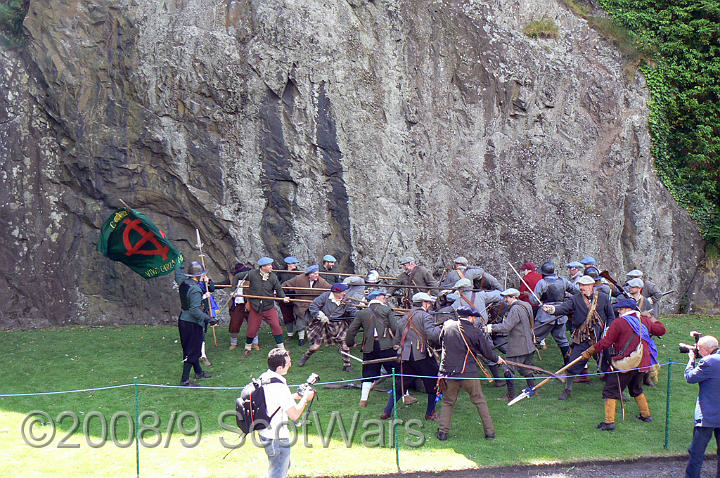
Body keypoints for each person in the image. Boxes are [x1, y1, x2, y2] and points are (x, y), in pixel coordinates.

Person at [580, 298, 666, 430]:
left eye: (621, 308)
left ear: (627, 309)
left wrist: (590, 350)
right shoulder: (644, 320)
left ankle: (609, 423)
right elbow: (661, 330)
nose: (619, 311)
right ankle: (646, 415)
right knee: (635, 388)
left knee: (610, 390)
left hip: (626, 362)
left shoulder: (619, 322)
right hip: (642, 363)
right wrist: (652, 318)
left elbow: (606, 342)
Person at [436, 305, 505, 441]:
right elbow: (486, 351)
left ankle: (443, 432)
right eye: (474, 317)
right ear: (470, 317)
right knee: (480, 401)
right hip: (468, 373)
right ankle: (489, 433)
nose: (475, 320)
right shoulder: (475, 332)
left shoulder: (447, 327)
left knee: (448, 402)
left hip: (449, 373)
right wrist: (497, 359)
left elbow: (440, 342)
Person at [542, 275, 615, 400]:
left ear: (591, 286)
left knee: (610, 366)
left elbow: (610, 316)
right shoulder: (575, 299)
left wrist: (608, 330)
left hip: (600, 339)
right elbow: (563, 309)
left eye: (584, 285)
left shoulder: (603, 298)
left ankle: (615, 392)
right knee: (572, 365)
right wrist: (551, 309)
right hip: (582, 338)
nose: (581, 288)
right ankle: (567, 390)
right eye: (580, 285)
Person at [384, 292, 443, 421]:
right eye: (428, 303)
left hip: (406, 356)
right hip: (423, 356)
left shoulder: (404, 317)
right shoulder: (425, 316)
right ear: (424, 303)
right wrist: (440, 332)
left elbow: (398, 338)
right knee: (433, 385)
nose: (429, 305)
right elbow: (433, 336)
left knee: (400, 385)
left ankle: (387, 411)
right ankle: (430, 413)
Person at [257, 348, 315, 478]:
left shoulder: (264, 377)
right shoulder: (280, 387)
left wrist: (294, 396)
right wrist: (305, 398)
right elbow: (294, 415)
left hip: (265, 432)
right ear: (279, 367)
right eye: (288, 363)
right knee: (278, 473)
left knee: (281, 466)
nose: (290, 365)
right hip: (277, 437)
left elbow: (272, 400)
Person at [345, 290, 399, 408]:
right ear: (378, 298)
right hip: (386, 346)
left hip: (369, 347)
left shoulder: (362, 313)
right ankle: (405, 396)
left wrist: (349, 343)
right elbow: (395, 328)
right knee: (397, 372)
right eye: (384, 298)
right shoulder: (387, 310)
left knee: (368, 374)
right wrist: (398, 343)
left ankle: (363, 400)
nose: (385, 300)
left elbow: (351, 330)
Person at [485, 288, 537, 401]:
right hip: (529, 343)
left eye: (507, 297)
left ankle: (510, 395)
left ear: (514, 297)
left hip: (519, 346)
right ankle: (534, 388)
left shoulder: (515, 309)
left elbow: (506, 326)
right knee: (525, 369)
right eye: (504, 297)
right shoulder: (526, 305)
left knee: (507, 368)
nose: (505, 300)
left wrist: (490, 328)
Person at [174, 260, 217, 386]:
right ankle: (185, 380)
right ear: (197, 276)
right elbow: (194, 310)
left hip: (185, 320)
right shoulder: (195, 289)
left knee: (195, 348)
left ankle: (198, 372)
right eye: (202, 274)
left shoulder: (184, 283)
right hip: (191, 323)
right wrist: (209, 318)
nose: (204, 277)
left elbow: (178, 274)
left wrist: (178, 263)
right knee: (192, 351)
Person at [298, 282, 358, 371]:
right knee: (316, 346)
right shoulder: (325, 296)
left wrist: (362, 314)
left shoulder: (346, 300)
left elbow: (353, 311)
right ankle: (305, 357)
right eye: (343, 291)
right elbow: (313, 306)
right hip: (323, 324)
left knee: (345, 345)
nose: (344, 293)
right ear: (336, 292)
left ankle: (347, 366)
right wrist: (320, 315)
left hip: (339, 324)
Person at [684, 335, 720, 478]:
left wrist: (691, 360)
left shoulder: (709, 361)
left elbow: (690, 377)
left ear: (704, 350)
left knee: (696, 454)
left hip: (707, 416)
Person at [530, 262, 577, 369]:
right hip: (561, 314)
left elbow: (533, 300)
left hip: (545, 315)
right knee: (562, 340)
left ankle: (526, 364)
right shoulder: (563, 281)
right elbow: (576, 291)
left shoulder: (542, 283)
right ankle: (568, 364)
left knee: (534, 337)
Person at [242, 257, 290, 358]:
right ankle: (247, 348)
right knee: (252, 328)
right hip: (256, 307)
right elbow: (238, 276)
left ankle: (282, 349)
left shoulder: (273, 277)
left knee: (276, 326)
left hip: (268, 306)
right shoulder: (252, 274)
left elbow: (279, 289)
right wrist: (233, 290)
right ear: (263, 267)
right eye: (269, 265)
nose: (271, 267)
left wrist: (283, 297)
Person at [282, 265, 332, 346]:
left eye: (317, 274)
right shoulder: (299, 279)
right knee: (301, 320)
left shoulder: (321, 281)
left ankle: (314, 337)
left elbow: (329, 287)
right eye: (315, 274)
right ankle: (301, 338)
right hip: (301, 303)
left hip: (315, 304)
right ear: (310, 274)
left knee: (315, 320)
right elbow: (286, 285)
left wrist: (338, 290)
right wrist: (280, 293)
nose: (317, 276)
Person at [228, 262, 259, 351]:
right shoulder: (232, 279)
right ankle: (233, 343)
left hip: (249, 304)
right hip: (237, 305)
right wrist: (210, 283)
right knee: (234, 324)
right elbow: (221, 284)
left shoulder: (250, 279)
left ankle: (255, 343)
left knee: (253, 323)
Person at [277, 257, 301, 338]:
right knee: (287, 315)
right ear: (288, 264)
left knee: (299, 314)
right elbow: (277, 282)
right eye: (293, 263)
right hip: (284, 296)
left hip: (295, 296)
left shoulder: (298, 273)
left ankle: (300, 332)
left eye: (295, 263)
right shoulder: (281, 272)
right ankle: (289, 334)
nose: (295, 265)